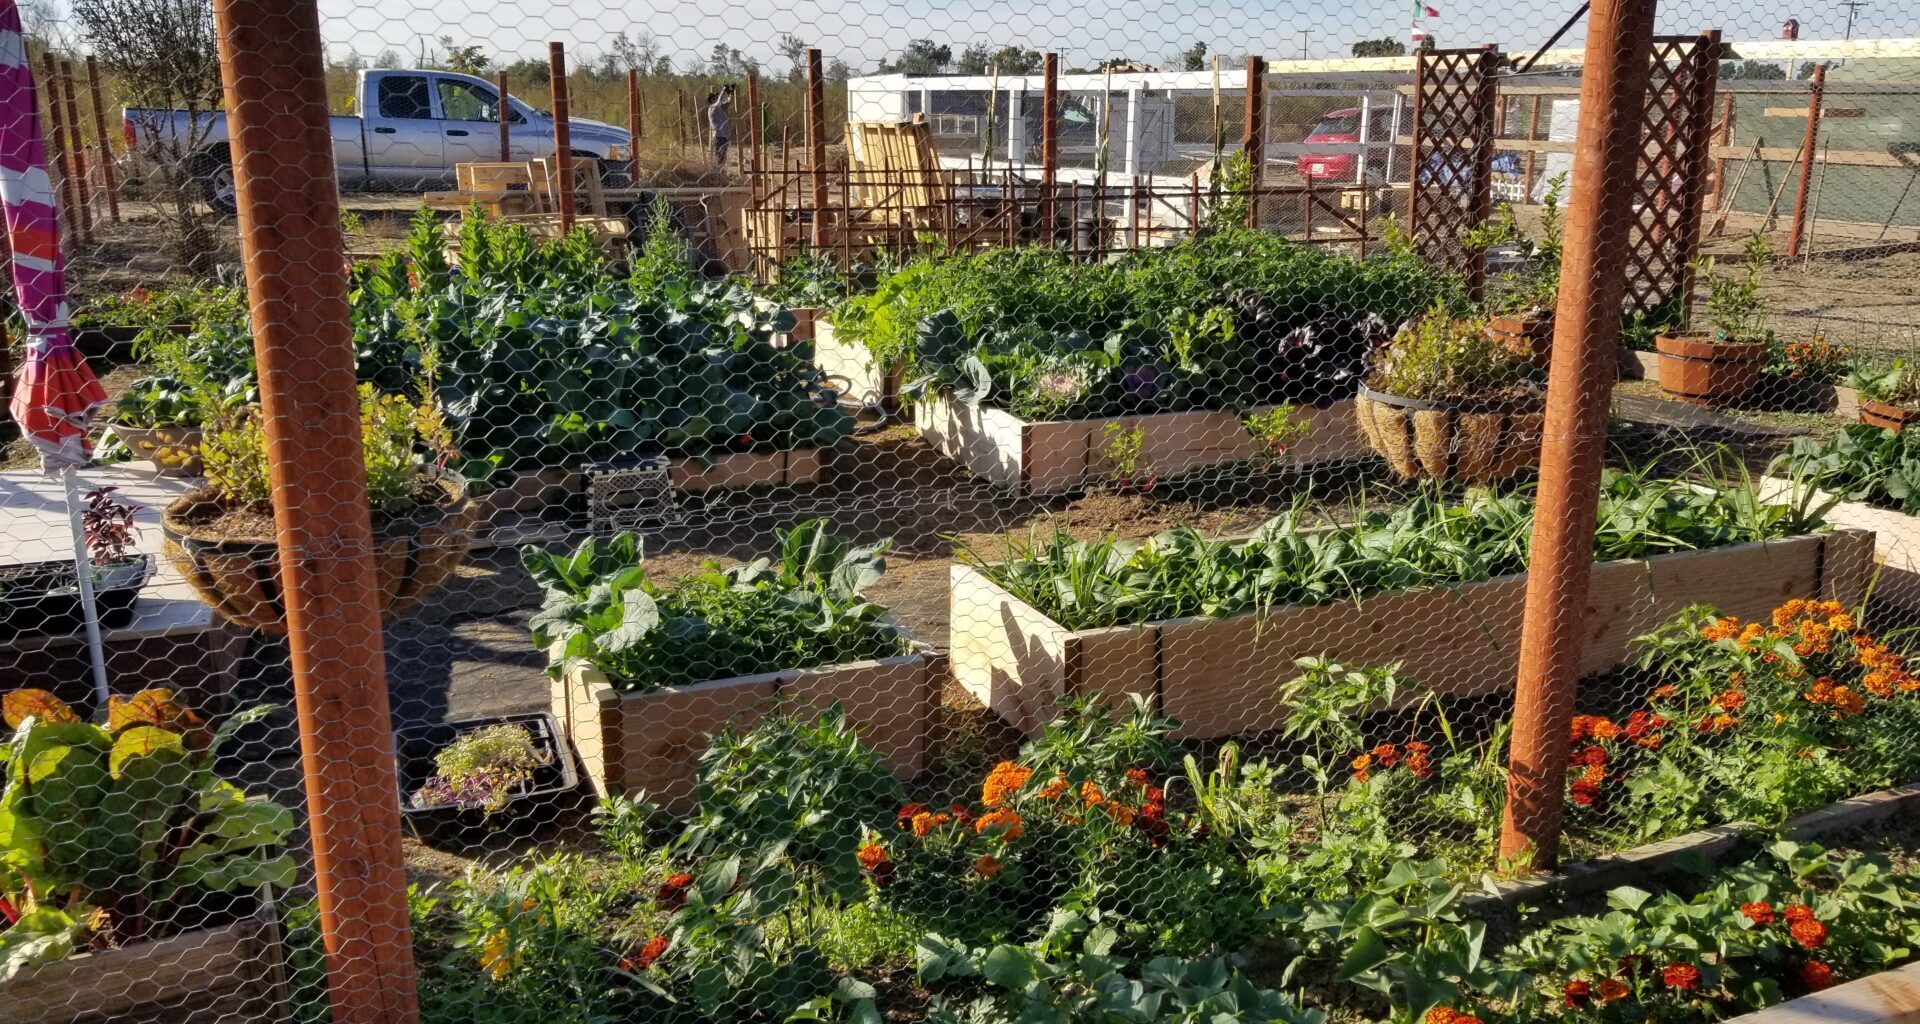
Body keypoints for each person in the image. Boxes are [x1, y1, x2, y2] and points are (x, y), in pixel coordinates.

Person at [707, 85, 736, 165]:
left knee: (722, 160)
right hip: (718, 138)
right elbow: (719, 101)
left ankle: (721, 175)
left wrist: (730, 92)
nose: (717, 98)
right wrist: (724, 90)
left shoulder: (720, 108)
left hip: (724, 138)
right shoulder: (712, 108)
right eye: (715, 98)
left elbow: (729, 101)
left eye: (717, 97)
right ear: (712, 100)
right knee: (718, 160)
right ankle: (717, 176)